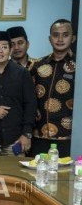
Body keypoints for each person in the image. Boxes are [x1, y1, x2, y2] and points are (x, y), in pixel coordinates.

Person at [30, 19, 76, 157]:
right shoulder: (37, 66)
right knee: (37, 175)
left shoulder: (78, 67)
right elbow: (28, 100)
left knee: (66, 177)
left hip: (68, 137)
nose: (60, 39)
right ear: (50, 39)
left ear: (73, 38)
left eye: (65, 35)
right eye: (56, 35)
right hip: (38, 136)